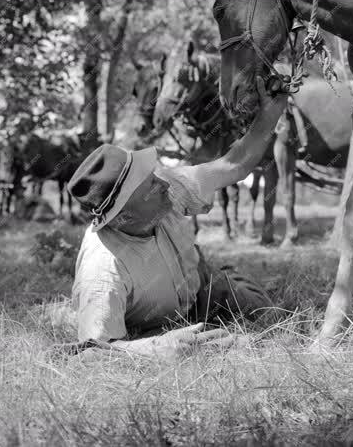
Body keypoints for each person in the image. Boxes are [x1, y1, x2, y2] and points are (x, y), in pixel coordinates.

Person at [64, 76, 287, 360]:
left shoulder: (164, 188)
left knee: (268, 316)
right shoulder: (103, 269)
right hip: (155, 330)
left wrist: (271, 113)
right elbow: (91, 352)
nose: (164, 184)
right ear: (122, 216)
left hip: (204, 290)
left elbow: (234, 165)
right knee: (237, 347)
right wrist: (156, 348)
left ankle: (233, 282)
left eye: (154, 177)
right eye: (150, 186)